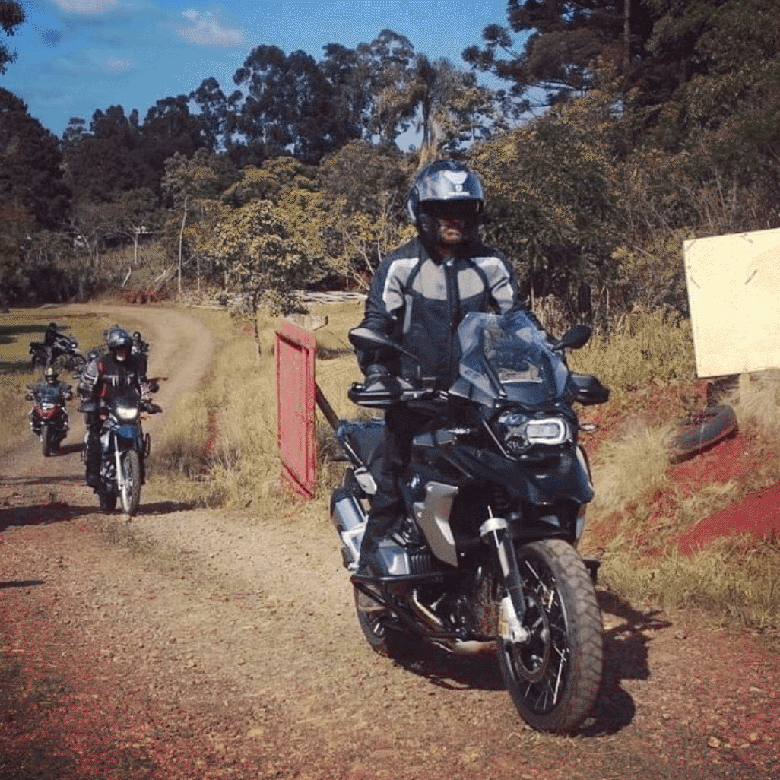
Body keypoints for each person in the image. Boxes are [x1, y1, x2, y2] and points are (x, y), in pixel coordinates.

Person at [354, 159, 532, 576]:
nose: (455, 220)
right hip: (416, 398)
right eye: (443, 212)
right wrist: (379, 373)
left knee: (509, 476)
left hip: (481, 397)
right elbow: (377, 324)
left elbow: (520, 322)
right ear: (422, 213)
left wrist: (549, 365)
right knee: (394, 484)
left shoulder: (492, 265)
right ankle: (372, 581)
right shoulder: (400, 266)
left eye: (465, 211)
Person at [78, 326, 149, 489]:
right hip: (104, 409)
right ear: (111, 348)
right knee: (95, 439)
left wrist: (147, 400)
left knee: (139, 440)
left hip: (128, 407)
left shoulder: (136, 363)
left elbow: (142, 383)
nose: (121, 351)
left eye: (124, 347)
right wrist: (89, 402)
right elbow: (86, 385)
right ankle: (93, 475)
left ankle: (139, 476)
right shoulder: (100, 364)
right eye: (118, 347)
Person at [27, 367, 72, 433]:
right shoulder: (41, 385)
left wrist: (67, 394)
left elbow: (67, 389)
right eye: (49, 376)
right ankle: (33, 425)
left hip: (57, 405)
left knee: (64, 412)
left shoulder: (61, 384)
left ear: (55, 376)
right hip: (43, 404)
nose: (50, 378)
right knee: (31, 412)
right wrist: (30, 394)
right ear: (46, 377)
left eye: (52, 376)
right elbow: (33, 390)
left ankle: (64, 425)